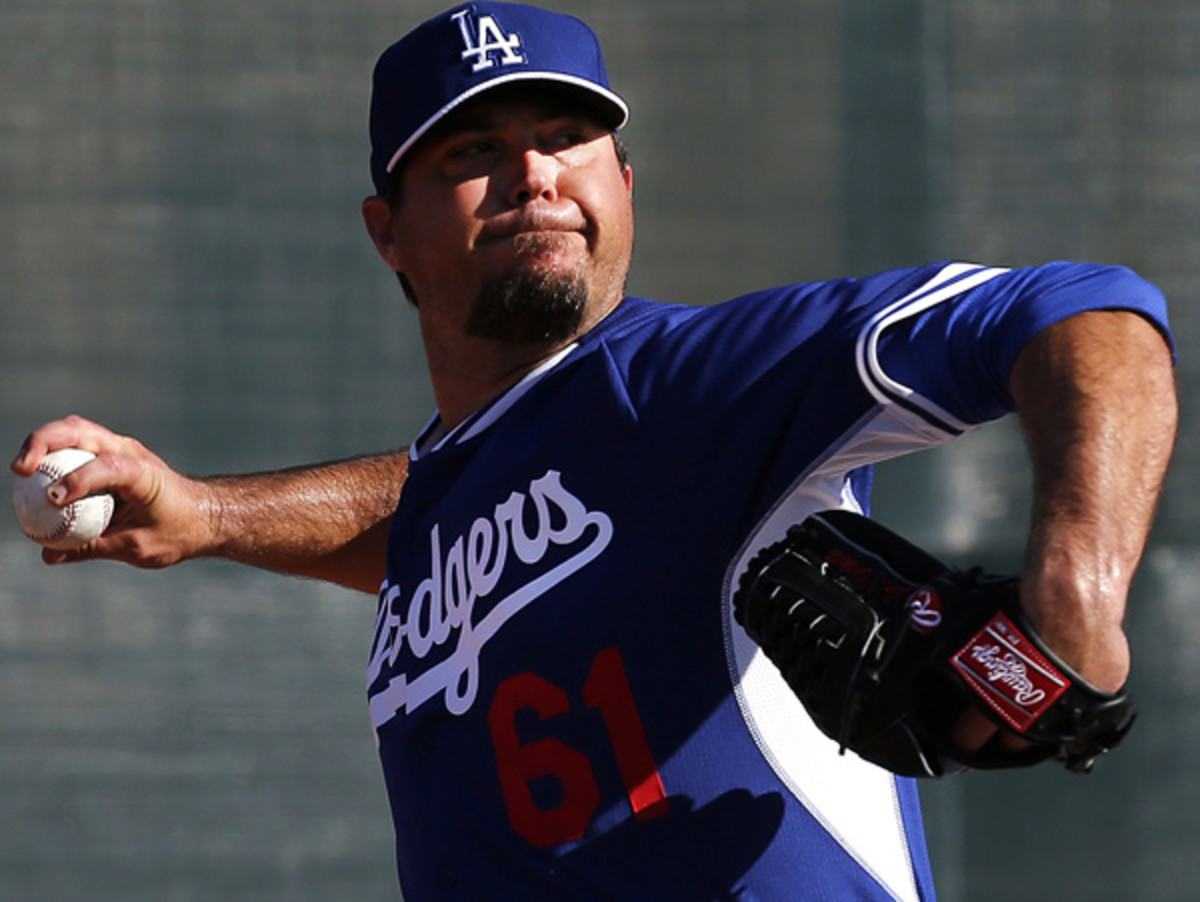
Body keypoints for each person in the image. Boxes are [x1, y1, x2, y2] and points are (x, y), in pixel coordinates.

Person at [11, 3, 1178, 899]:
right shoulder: (476, 482)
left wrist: (1078, 581)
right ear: (387, 233)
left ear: (623, 180)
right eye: (474, 149)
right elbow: (436, 508)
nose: (535, 174)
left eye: (568, 136)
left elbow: (1081, 310)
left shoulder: (689, 385)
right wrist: (211, 514)